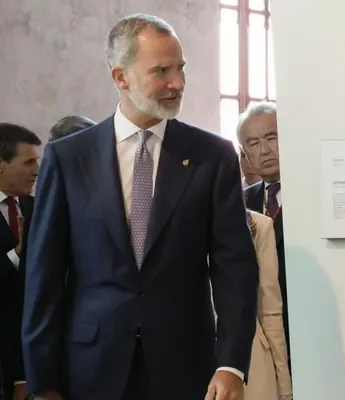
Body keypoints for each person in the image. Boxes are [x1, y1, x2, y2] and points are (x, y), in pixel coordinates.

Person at [22, 14, 258, 400]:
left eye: (180, 68)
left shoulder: (211, 157)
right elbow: (44, 276)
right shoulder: (69, 159)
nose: (177, 83)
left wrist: (231, 364)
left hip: (186, 366)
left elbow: (235, 269)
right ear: (121, 77)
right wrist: (41, 381)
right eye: (161, 71)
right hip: (88, 368)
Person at [238, 103, 291, 363]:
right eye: (253, 143)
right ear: (245, 153)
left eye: (272, 138)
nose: (265, 150)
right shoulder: (240, 202)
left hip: (309, 327)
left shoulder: (316, 193)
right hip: (261, 334)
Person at [0, 124, 40, 400]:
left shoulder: (37, 207)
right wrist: (18, 253)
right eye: (28, 162)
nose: (36, 170)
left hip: (34, 353)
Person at [243, 210, 292, 400]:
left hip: (252, 362)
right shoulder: (168, 224)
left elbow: (270, 311)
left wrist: (283, 386)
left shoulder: (259, 225)